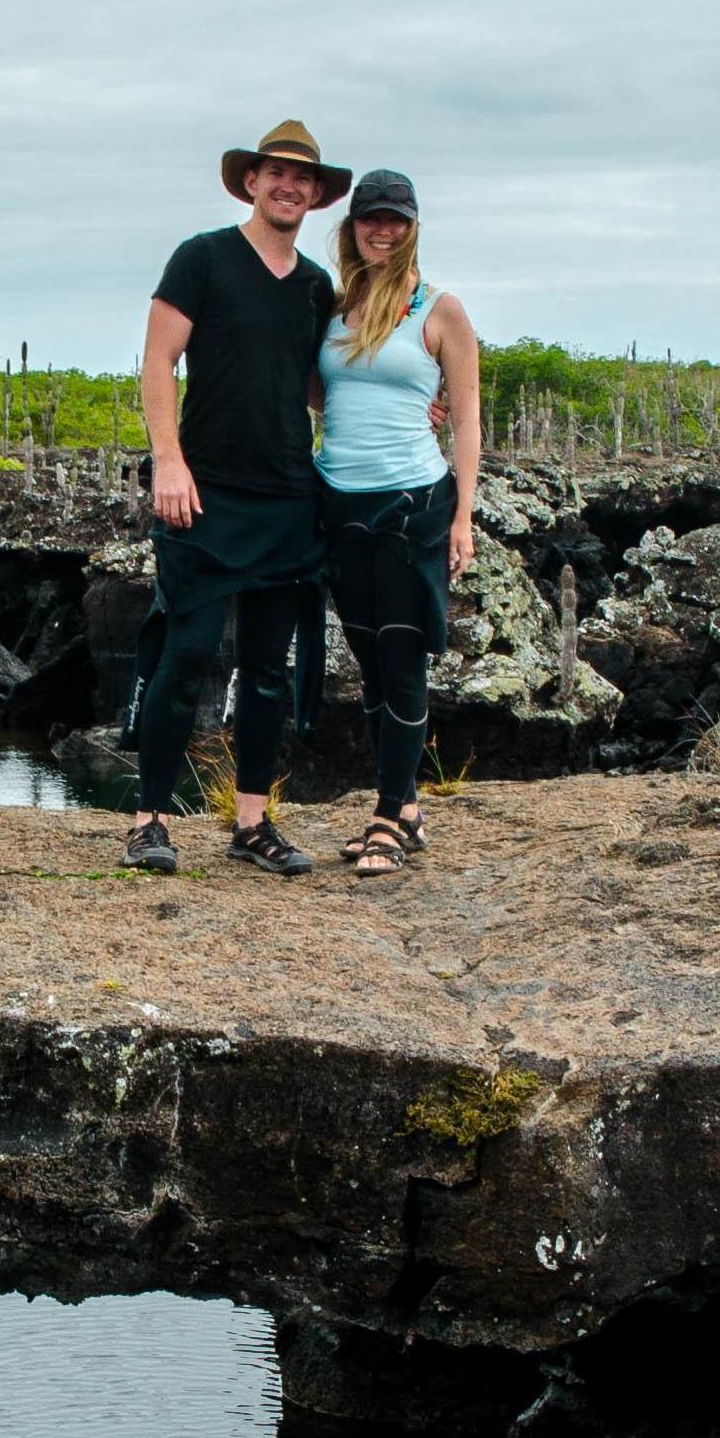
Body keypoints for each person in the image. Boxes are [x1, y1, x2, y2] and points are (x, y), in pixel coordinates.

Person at [121, 119, 343, 875]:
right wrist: (168, 462)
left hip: (288, 499)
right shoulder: (203, 258)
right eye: (275, 173)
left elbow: (320, 386)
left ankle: (252, 823)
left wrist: (413, 403)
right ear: (251, 181)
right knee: (183, 657)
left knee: (269, 670)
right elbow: (157, 362)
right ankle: (149, 819)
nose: (288, 185)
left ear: (316, 195)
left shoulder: (316, 287)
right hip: (204, 497)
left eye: (302, 178)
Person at [314, 166, 480, 876]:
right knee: (370, 665)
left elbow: (468, 418)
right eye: (369, 218)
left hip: (414, 502)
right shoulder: (335, 305)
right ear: (352, 226)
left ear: (413, 227)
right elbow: (327, 396)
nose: (382, 230)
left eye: (396, 219)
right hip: (339, 504)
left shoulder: (440, 309)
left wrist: (464, 516)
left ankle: (387, 815)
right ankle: (406, 805)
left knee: (404, 655)